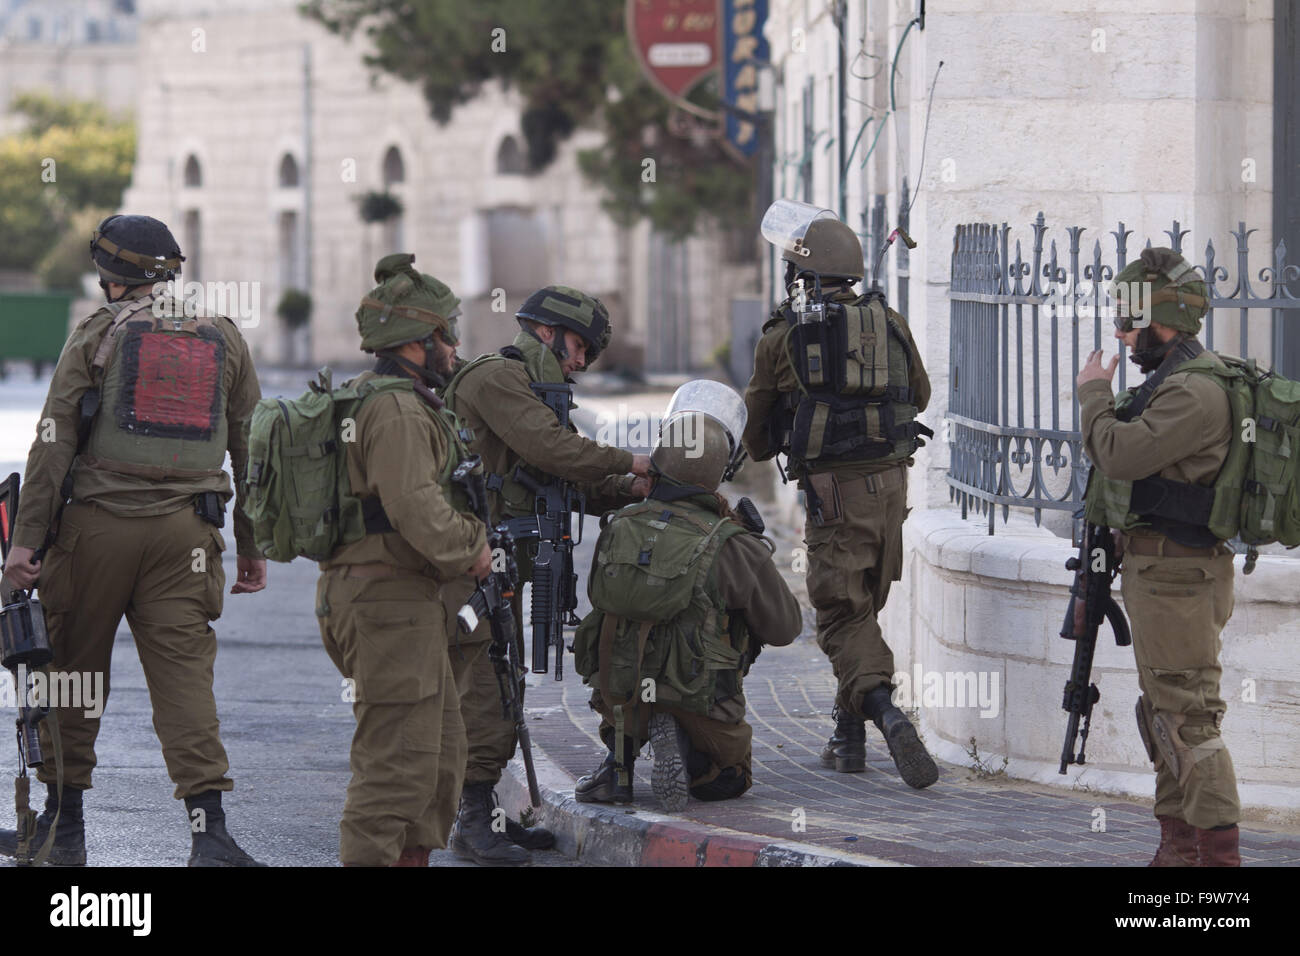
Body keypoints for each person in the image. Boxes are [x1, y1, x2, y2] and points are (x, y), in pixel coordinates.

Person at [0, 214, 265, 866]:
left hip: (94, 534)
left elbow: (52, 446)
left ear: (110, 275)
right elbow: (250, 449)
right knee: (185, 683)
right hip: (188, 539)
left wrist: (25, 542)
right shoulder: (224, 337)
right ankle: (211, 834)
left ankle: (63, 833)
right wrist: (251, 543)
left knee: (73, 679)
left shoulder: (95, 335)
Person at [440, 285, 651, 865]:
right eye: (580, 347)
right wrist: (631, 460)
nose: (581, 362)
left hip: (503, 568)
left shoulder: (533, 389)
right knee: (485, 692)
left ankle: (484, 816)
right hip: (470, 563)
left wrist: (627, 490)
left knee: (503, 686)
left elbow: (555, 480)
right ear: (546, 331)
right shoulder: (497, 379)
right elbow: (555, 451)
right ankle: (471, 821)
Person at [742, 200, 937, 789]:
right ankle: (847, 736)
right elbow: (920, 395)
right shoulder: (891, 320)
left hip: (835, 496)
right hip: (892, 490)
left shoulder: (782, 336)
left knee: (837, 614)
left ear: (803, 275)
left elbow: (753, 439)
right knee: (863, 606)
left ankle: (885, 713)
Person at [314, 254, 491, 867]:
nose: (456, 345)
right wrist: (476, 551)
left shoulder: (398, 401)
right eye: (448, 332)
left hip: (405, 604)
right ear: (420, 341)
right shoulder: (392, 410)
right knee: (394, 771)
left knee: (436, 764)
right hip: (384, 605)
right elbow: (415, 509)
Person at [1077, 247, 1241, 867]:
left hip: (1178, 577)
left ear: (1162, 318)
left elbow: (1118, 454)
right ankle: (1177, 855)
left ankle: (1220, 870)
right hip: (1162, 573)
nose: (1121, 333)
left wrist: (1093, 394)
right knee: (1166, 714)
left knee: (1189, 722)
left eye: (1129, 321)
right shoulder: (1174, 384)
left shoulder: (1193, 394)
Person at [572, 381, 802, 811]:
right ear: (719, 469)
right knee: (725, 782)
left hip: (623, 702)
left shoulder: (619, 526)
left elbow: (600, 607)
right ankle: (693, 750)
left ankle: (617, 765)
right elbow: (786, 628)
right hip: (704, 699)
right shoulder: (734, 544)